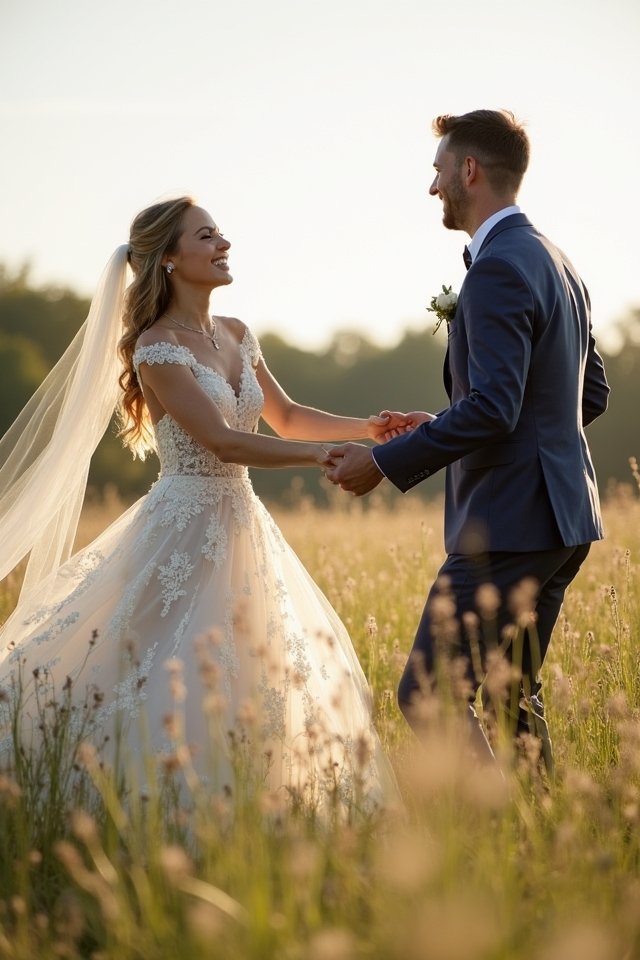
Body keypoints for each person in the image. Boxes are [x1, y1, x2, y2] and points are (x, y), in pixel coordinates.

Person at [0, 197, 403, 812]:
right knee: (161, 668)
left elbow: (287, 418)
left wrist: (370, 429)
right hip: (182, 526)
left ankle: (249, 805)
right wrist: (324, 459)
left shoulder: (238, 333)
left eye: (221, 233)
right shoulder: (156, 348)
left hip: (243, 524)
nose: (224, 244)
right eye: (206, 235)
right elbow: (218, 439)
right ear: (168, 258)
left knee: (255, 669)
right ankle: (130, 802)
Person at [325, 109, 610, 769]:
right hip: (564, 521)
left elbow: (496, 409)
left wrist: (383, 462)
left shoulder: (499, 268)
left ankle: (490, 835)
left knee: (427, 695)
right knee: (512, 699)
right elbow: (585, 396)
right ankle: (536, 850)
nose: (434, 188)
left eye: (438, 171)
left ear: (470, 170)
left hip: (510, 525)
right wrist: (458, 423)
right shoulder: (557, 261)